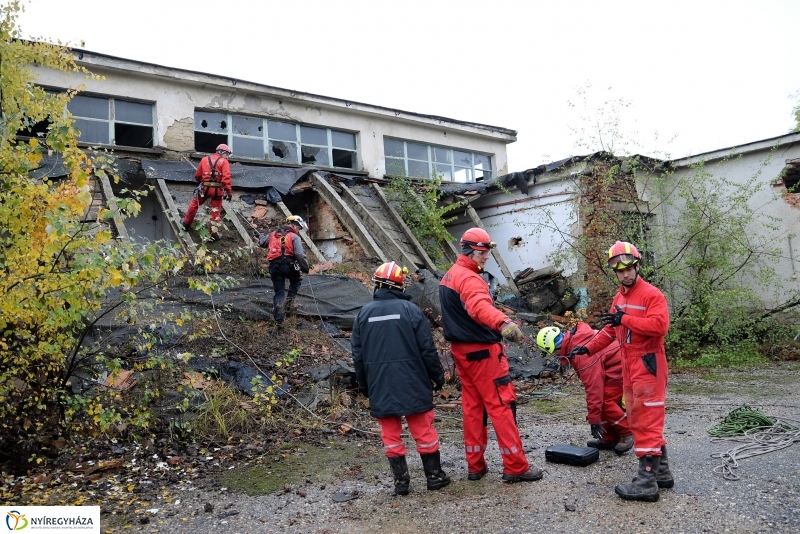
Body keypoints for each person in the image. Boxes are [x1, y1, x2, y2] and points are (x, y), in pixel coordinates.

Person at [570, 241, 673, 502]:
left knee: (646, 421)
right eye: (619, 270)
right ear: (614, 272)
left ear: (637, 266)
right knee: (640, 418)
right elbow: (610, 331)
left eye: (629, 268)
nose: (625, 274)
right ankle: (662, 473)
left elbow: (660, 326)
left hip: (648, 364)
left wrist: (624, 319)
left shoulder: (651, 294)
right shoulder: (620, 297)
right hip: (630, 365)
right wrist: (586, 349)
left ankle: (647, 484)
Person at [439, 227, 543, 483]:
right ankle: (516, 467)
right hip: (484, 355)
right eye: (483, 252)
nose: (486, 257)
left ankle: (475, 465)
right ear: (471, 250)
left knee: (473, 408)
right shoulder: (470, 279)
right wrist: (503, 323)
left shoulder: (450, 276)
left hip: (462, 354)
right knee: (501, 406)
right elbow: (478, 307)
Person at [352, 261, 450, 496]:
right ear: (399, 284)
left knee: (390, 434)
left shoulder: (363, 314)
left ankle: (401, 482)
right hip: (413, 381)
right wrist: (437, 377)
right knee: (423, 431)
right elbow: (427, 349)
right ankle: (434, 477)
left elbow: (358, 355)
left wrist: (364, 385)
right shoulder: (411, 311)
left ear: (377, 284)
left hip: (380, 384)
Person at [536, 324, 633, 454]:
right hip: (618, 364)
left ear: (556, 348)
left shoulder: (581, 354)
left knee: (604, 402)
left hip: (621, 369)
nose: (556, 356)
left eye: (553, 353)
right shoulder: (576, 340)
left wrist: (594, 420)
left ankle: (627, 433)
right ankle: (609, 438)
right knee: (601, 403)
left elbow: (594, 388)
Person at [258, 215, 310, 324]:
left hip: (274, 266)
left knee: (279, 292)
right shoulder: (294, 237)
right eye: (299, 228)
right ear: (294, 226)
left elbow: (262, 243)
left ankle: (279, 318)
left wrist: (261, 235)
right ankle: (289, 306)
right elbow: (299, 255)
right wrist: (305, 267)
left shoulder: (273, 234)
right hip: (289, 265)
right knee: (296, 281)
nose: (299, 231)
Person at [182, 144, 234, 241]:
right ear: (223, 153)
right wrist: (229, 192)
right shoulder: (224, 162)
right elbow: (226, 179)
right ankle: (213, 235)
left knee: (194, 204)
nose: (227, 157)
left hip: (204, 189)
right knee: (215, 211)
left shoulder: (204, 159)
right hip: (217, 191)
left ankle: (186, 224)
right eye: (227, 154)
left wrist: (204, 183)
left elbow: (197, 176)